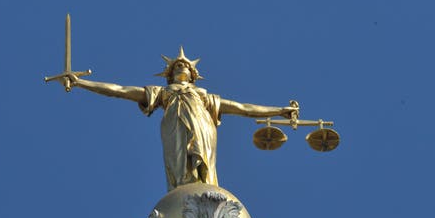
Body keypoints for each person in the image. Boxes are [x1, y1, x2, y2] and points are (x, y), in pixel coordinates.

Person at [66, 47, 297, 191]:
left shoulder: (204, 96)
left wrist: (278, 111)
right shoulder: (163, 93)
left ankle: (204, 187)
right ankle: (182, 189)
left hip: (203, 128)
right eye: (178, 65)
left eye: (185, 65)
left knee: (204, 166)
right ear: (169, 74)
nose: (182, 66)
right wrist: (81, 82)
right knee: (179, 168)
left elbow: (242, 107)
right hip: (173, 127)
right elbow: (121, 90)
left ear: (194, 75)